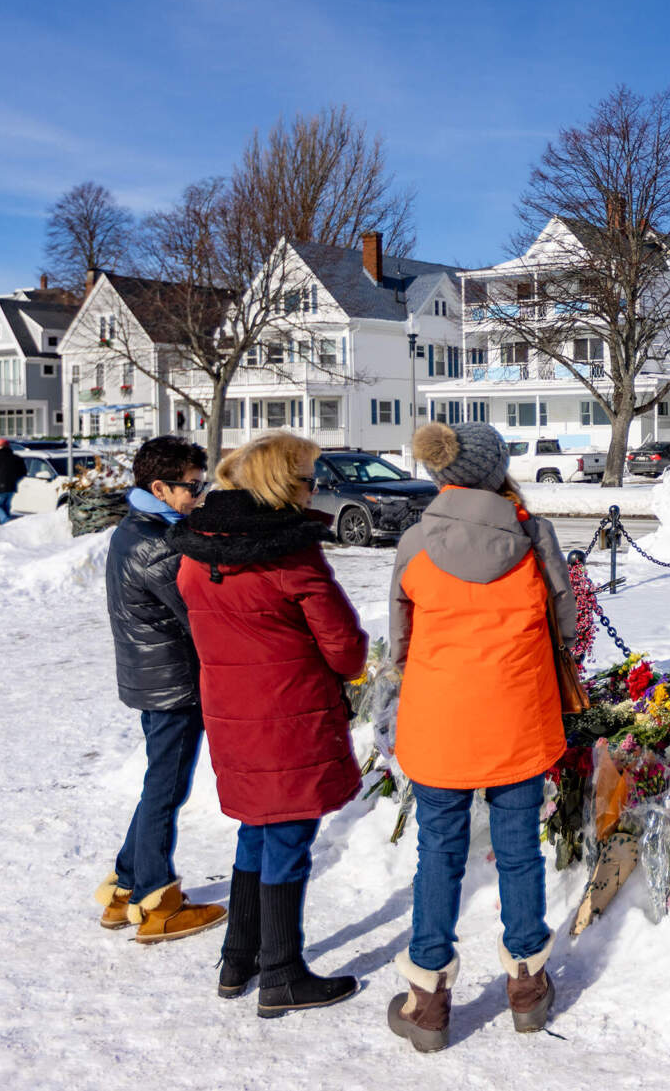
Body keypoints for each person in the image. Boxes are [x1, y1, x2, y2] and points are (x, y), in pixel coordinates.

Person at [383, 421, 575, 1051]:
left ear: (442, 474)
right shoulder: (530, 535)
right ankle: (526, 986)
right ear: (497, 471)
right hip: (517, 717)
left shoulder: (415, 540)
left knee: (437, 854)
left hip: (439, 721)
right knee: (519, 850)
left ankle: (427, 1000)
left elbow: (401, 642)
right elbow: (564, 624)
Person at [169, 433, 368, 1017]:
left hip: (232, 710)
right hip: (290, 714)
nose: (315, 488)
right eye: (307, 479)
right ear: (281, 485)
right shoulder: (288, 555)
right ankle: (282, 973)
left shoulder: (195, 551)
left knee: (256, 828)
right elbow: (346, 650)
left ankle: (239, 958)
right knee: (286, 837)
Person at [92, 436, 225, 943]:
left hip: (156, 678)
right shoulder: (156, 543)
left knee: (160, 785)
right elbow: (201, 615)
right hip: (172, 686)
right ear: (159, 487)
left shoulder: (142, 527)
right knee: (165, 789)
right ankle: (157, 903)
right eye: (192, 487)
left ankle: (126, 886)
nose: (199, 494)